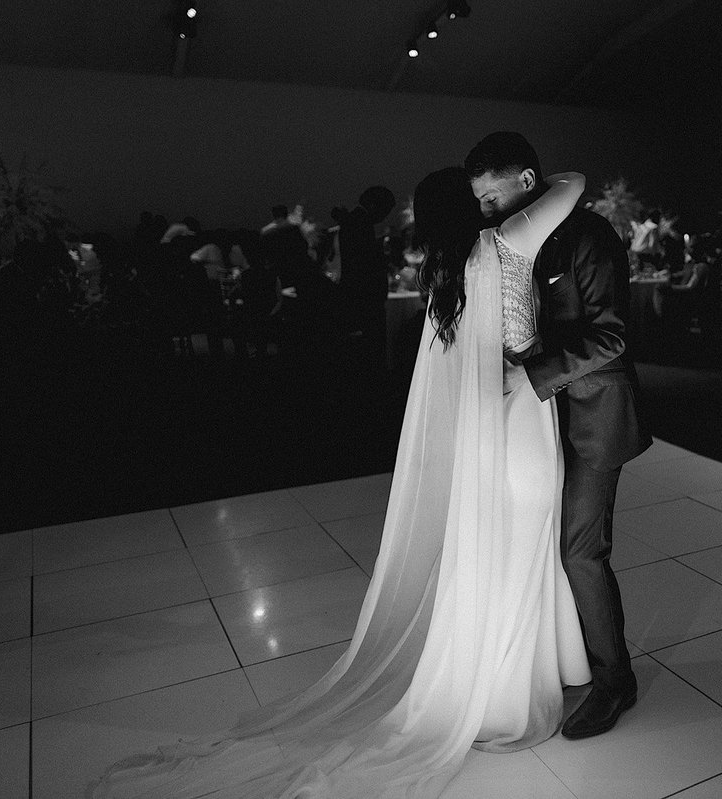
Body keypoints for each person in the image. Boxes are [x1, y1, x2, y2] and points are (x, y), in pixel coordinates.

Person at [90, 164, 592, 799]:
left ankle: (495, 671)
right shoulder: (505, 242)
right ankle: (511, 690)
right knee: (526, 543)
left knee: (490, 552)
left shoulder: (441, 271)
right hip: (520, 416)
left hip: (476, 429)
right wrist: (523, 188)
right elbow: (573, 183)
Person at [466, 131, 652, 740]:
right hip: (542, 422)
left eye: (492, 200)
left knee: (581, 551)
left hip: (593, 419)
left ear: (526, 182)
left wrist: (529, 375)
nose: (486, 215)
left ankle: (614, 682)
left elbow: (613, 337)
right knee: (543, 543)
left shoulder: (590, 237)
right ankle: (567, 660)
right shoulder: (525, 238)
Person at [334, 186, 397, 362]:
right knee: (370, 351)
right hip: (365, 300)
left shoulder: (354, 220)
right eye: (384, 210)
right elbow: (363, 265)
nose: (384, 216)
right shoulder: (360, 223)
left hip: (360, 298)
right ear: (373, 204)